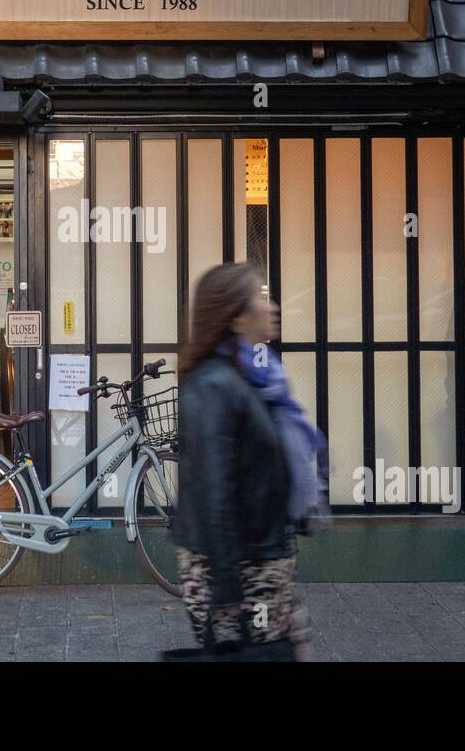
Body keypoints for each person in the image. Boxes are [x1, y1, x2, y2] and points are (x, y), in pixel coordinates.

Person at [173, 262, 314, 659]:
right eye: (260, 298)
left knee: (290, 649)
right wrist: (227, 588)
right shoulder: (213, 386)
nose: (272, 308)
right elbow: (212, 489)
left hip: (267, 558)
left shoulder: (256, 377)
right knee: (261, 654)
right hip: (242, 572)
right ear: (237, 317)